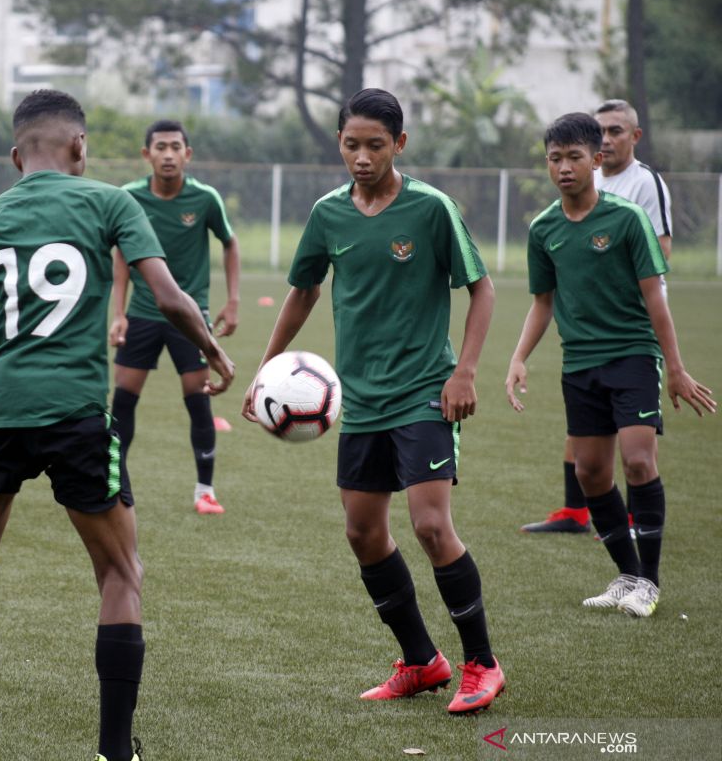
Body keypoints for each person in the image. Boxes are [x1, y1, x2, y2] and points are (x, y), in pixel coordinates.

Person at [0, 90, 234, 761]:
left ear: (14, 154)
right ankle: (115, 750)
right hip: (77, 411)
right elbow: (168, 294)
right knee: (120, 571)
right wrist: (213, 348)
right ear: (80, 148)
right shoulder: (112, 202)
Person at [240, 88, 504, 714]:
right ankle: (421, 661)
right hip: (358, 399)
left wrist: (464, 372)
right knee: (363, 533)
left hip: (423, 393)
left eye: (376, 146)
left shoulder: (432, 209)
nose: (362, 157)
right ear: (339, 143)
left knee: (431, 525)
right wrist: (263, 371)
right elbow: (303, 291)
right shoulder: (328, 213)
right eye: (352, 144)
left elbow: (482, 289)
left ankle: (483, 664)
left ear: (400, 145)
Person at [506, 112, 714, 617]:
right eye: (555, 159)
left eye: (575, 157)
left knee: (639, 461)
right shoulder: (544, 229)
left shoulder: (626, 219)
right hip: (579, 365)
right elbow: (542, 301)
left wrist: (677, 368)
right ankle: (626, 574)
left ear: (597, 161)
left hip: (632, 356)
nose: (564, 168)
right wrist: (517, 358)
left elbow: (654, 298)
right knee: (591, 472)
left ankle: (651, 582)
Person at [521, 99, 674, 534]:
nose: (607, 136)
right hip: (584, 340)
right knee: (588, 448)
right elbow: (544, 297)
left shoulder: (643, 186)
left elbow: (658, 253)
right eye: (602, 129)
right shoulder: (549, 222)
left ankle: (638, 526)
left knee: (638, 452)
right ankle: (577, 512)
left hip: (633, 328)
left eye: (615, 130)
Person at [109, 119, 240, 515]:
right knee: (123, 402)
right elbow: (119, 254)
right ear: (146, 154)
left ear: (188, 154)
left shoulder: (204, 199)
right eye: (160, 147)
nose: (168, 154)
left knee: (198, 402)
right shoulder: (128, 198)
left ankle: (204, 490)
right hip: (143, 314)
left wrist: (232, 301)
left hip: (190, 316)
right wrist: (119, 313)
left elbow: (230, 244)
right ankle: (113, 483)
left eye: (175, 147)